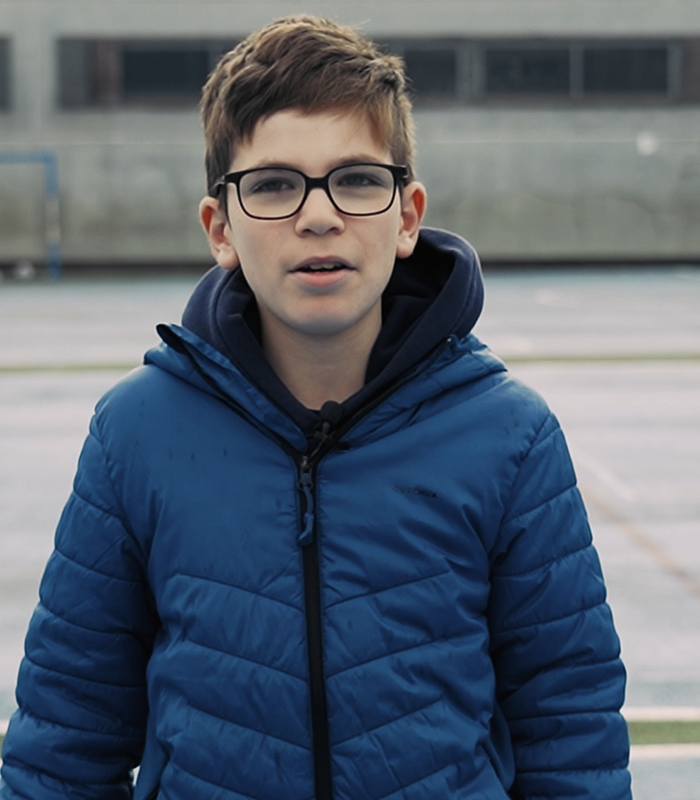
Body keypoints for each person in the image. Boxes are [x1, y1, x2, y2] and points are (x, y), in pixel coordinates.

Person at [0, 14, 631, 800]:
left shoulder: (511, 436)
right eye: (272, 185)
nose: (319, 214)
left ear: (406, 216)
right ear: (219, 227)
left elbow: (570, 732)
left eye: (358, 179)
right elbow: (64, 742)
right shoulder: (135, 434)